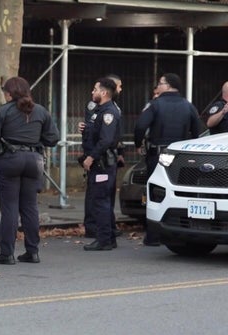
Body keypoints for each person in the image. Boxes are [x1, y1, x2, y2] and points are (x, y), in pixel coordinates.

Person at [0, 77, 59, 264]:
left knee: (9, 208)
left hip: (9, 160)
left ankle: (7, 253)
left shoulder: (3, 111)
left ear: (9, 93)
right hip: (34, 161)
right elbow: (53, 138)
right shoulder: (41, 111)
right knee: (30, 207)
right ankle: (32, 252)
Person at [134, 73, 203, 246]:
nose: (158, 86)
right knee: (182, 194)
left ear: (169, 85)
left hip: (158, 155)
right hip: (182, 158)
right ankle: (181, 232)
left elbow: (141, 126)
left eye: (160, 83)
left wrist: (137, 144)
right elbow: (197, 132)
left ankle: (153, 236)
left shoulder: (155, 105)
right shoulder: (188, 106)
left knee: (156, 193)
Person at [80, 78, 122, 251]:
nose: (92, 92)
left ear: (103, 92)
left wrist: (90, 158)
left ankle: (104, 240)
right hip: (100, 162)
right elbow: (96, 134)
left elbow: (105, 140)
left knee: (101, 202)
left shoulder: (108, 113)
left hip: (102, 163)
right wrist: (85, 130)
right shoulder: (100, 110)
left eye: (95, 89)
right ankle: (109, 238)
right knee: (102, 200)